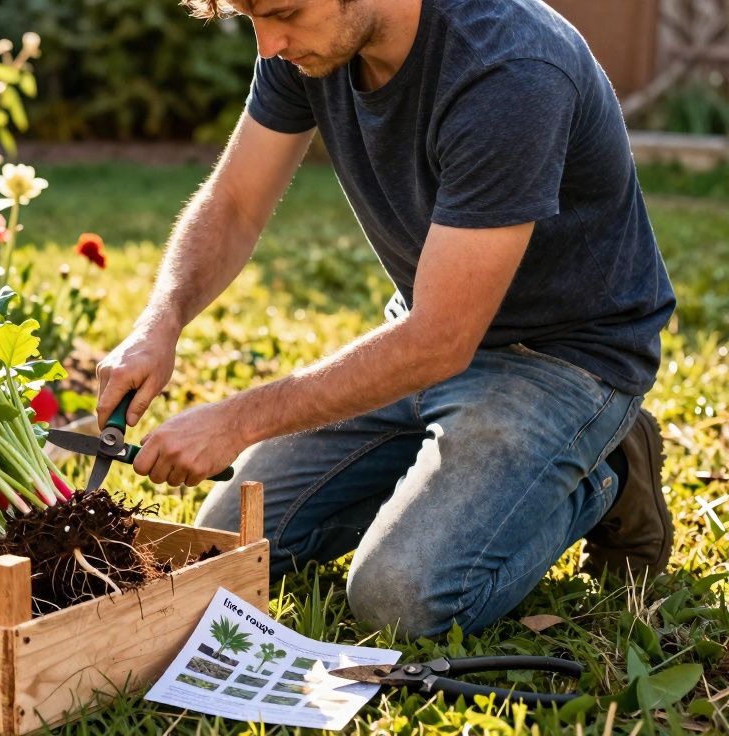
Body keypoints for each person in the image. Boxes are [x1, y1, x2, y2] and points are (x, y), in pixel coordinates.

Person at [93, 0, 676, 638]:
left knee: (401, 601)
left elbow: (441, 339)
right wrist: (160, 321)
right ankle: (439, 472)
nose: (267, 44)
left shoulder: (510, 68)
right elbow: (232, 203)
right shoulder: (306, 48)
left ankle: (606, 473)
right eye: (251, 17)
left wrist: (236, 421)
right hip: (423, 337)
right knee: (228, 543)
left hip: (562, 360)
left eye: (283, 12)